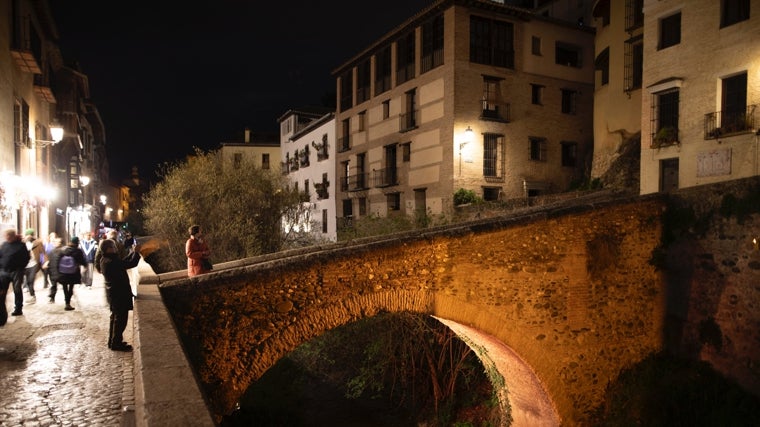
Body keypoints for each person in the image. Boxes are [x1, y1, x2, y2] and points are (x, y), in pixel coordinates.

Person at [99, 238, 141, 351]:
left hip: (114, 294)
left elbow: (123, 262)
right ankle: (116, 343)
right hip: (119, 294)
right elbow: (131, 263)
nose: (115, 248)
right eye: (113, 247)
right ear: (108, 249)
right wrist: (136, 252)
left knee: (115, 318)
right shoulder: (111, 262)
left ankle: (112, 341)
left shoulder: (105, 260)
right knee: (120, 320)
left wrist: (132, 252)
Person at [0, 229, 30, 323]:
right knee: (2, 291)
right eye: (6, 235)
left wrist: (20, 267)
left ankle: (18, 308)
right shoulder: (4, 245)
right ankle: (2, 311)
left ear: (13, 236)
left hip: (16, 271)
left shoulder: (21, 245)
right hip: (4, 271)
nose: (7, 237)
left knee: (17, 289)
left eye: (8, 235)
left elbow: (26, 257)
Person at [48, 236, 87, 311]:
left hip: (63, 272)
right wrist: (85, 266)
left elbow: (57, 260)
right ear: (77, 243)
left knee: (65, 287)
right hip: (73, 272)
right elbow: (82, 261)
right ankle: (68, 303)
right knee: (71, 287)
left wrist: (56, 271)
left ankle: (67, 302)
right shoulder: (77, 251)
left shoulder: (63, 249)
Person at [22, 229, 43, 303]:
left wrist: (45, 262)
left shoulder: (38, 242)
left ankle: (33, 296)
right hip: (25, 265)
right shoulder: (22, 243)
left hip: (34, 264)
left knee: (31, 281)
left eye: (30, 234)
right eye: (27, 234)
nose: (28, 236)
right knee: (28, 281)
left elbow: (43, 253)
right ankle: (32, 296)